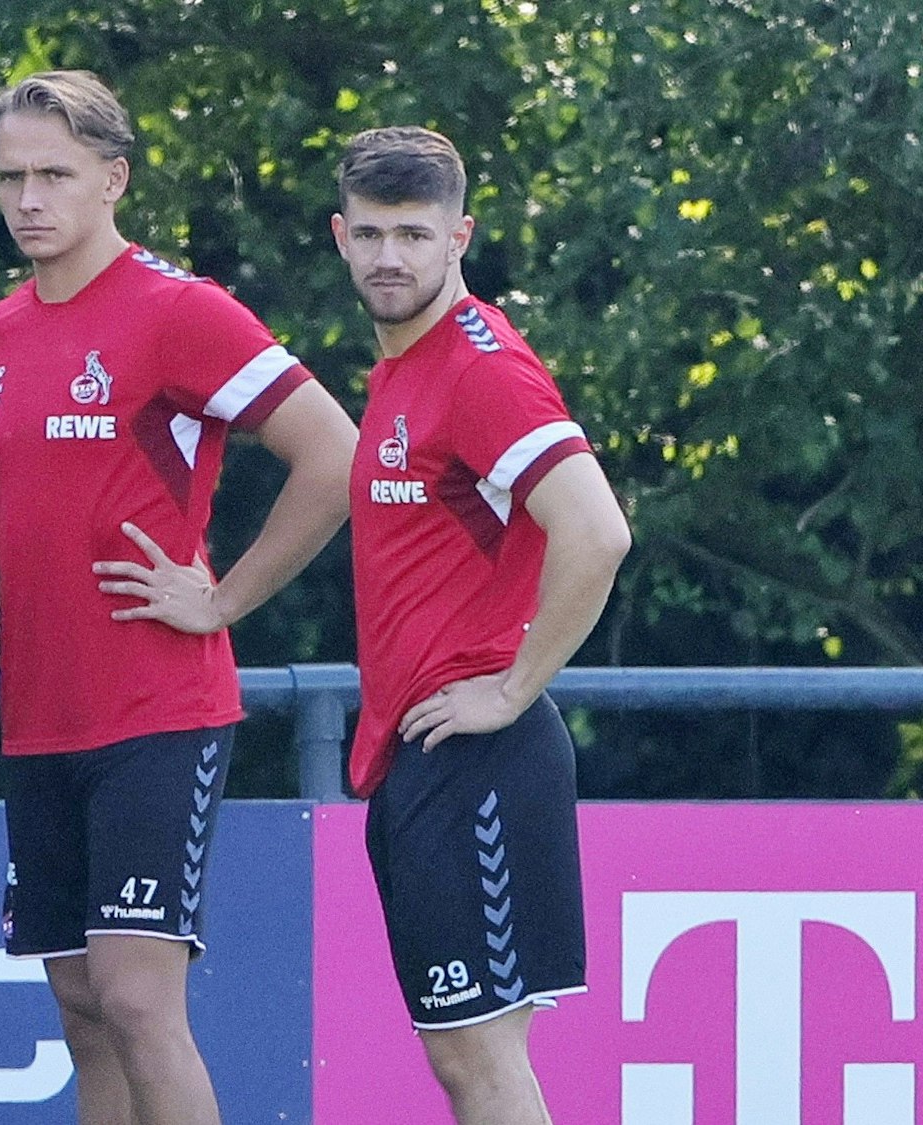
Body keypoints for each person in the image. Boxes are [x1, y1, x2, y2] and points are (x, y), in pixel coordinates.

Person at [0, 72, 357, 1125]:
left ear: (112, 179)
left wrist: (222, 600)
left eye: (54, 174)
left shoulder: (179, 312)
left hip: (156, 711)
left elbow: (334, 455)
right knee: (80, 1002)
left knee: (138, 1000)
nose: (29, 198)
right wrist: (11, 587)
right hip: (37, 713)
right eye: (11, 177)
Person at [331, 126, 630, 1122]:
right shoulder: (401, 372)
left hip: (481, 754)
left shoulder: (478, 369)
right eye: (369, 233)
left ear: (460, 235)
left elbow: (594, 531)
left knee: (480, 1058)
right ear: (338, 236)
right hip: (426, 752)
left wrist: (511, 688)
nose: (387, 257)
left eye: (412, 235)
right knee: (464, 1060)